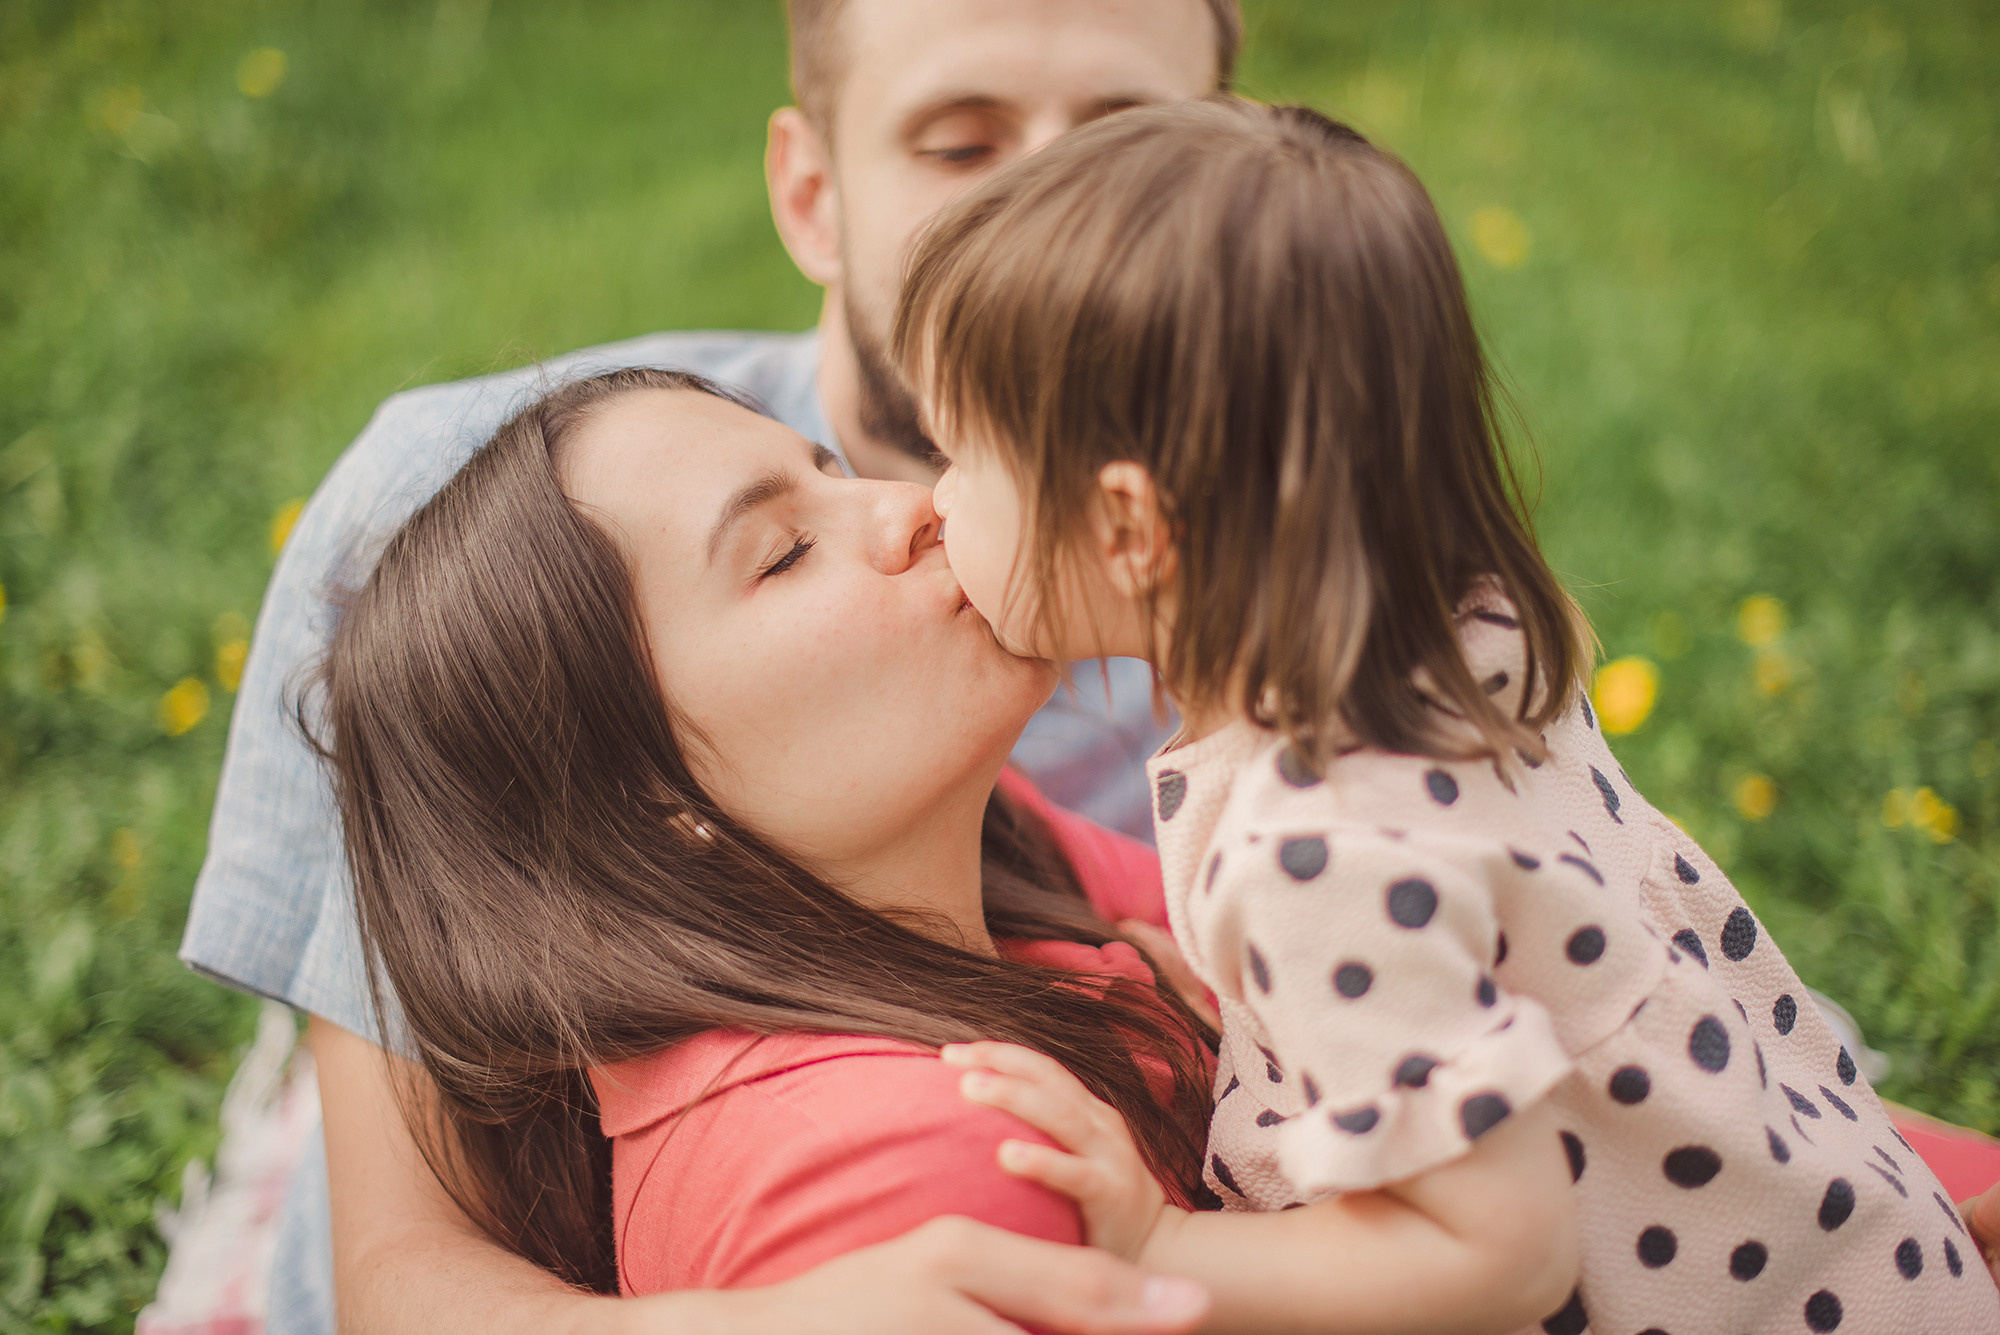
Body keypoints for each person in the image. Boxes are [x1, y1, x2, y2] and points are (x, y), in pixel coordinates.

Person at [178, 2, 1239, 1332]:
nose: (1051, 221)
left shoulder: (1308, 543)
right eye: (961, 144)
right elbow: (400, 1258)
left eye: (1129, 152)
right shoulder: (487, 524)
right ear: (813, 193)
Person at [894, 99, 2000, 1331]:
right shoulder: (1452, 639)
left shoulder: (1316, 849)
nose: (933, 503)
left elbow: (1495, 1260)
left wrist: (1159, 1240)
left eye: (956, 453)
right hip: (1866, 1263)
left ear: (1128, 529)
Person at [312, 367, 1219, 1303]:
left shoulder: (968, 845)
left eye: (829, 468)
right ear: (646, 806)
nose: (912, 503)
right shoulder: (917, 1172)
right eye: (786, 551)